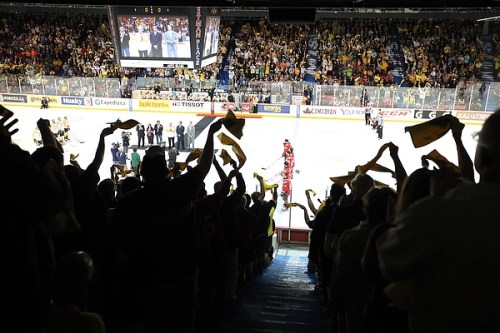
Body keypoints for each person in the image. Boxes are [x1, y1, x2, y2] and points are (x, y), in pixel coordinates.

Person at [376, 109, 500, 333]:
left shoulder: (435, 214)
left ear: (482, 157)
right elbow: (469, 179)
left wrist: (428, 205)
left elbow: (388, 263)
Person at [111, 119, 222, 333]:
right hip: (182, 275)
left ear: (141, 171)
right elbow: (204, 166)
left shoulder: (128, 202)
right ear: (167, 170)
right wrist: (211, 134)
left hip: (145, 278)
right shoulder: (181, 189)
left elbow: (118, 242)